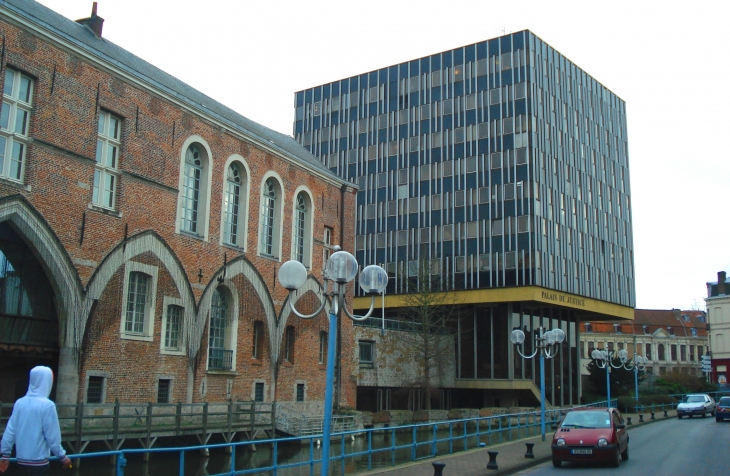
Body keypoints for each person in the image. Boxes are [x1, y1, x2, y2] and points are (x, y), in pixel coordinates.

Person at [0, 366, 72, 475]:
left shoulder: (20, 403)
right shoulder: (47, 405)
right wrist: (63, 457)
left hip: (21, 462)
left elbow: (10, 431)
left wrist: (5, 455)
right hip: (39, 463)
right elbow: (52, 436)